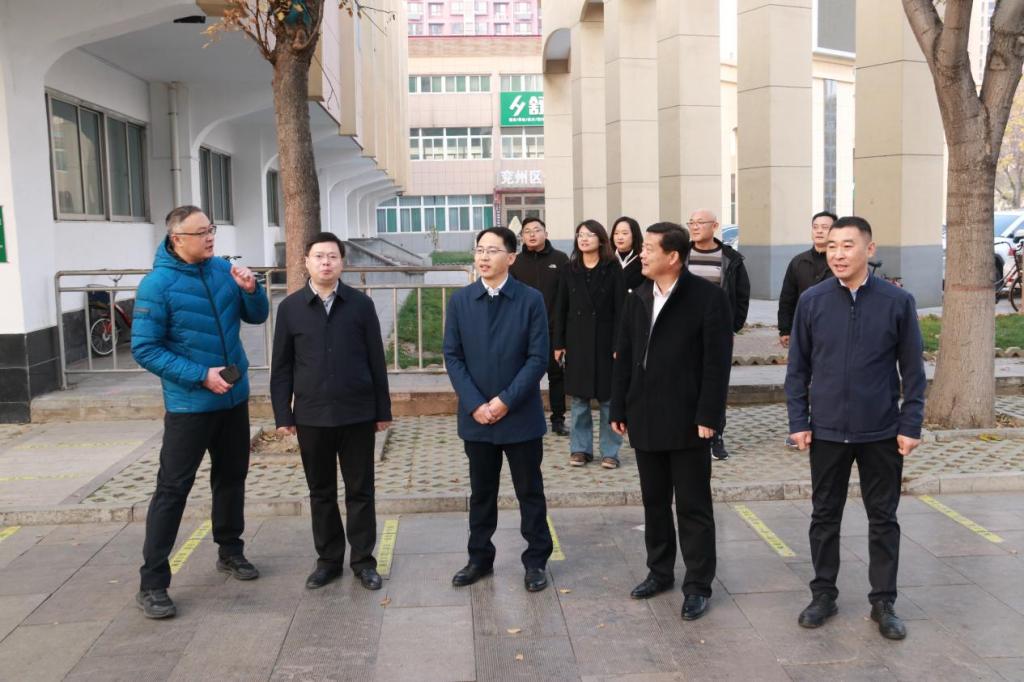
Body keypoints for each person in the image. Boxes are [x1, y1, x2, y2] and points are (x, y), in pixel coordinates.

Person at [785, 216, 925, 641]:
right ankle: (823, 595)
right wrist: (799, 420)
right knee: (824, 516)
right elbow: (798, 368)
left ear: (870, 249)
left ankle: (883, 602)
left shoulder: (897, 302)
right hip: (826, 430)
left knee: (883, 518)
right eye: (832, 246)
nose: (838, 254)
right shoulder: (812, 301)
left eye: (848, 245)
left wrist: (910, 423)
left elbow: (913, 370)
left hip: (881, 430)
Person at [131, 205, 269, 619]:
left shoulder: (222, 270)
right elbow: (145, 349)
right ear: (177, 240)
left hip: (233, 399)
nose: (210, 237)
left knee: (231, 478)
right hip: (190, 405)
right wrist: (199, 376)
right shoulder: (157, 285)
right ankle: (153, 583)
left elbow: (257, 316)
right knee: (173, 490)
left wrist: (252, 290)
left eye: (211, 229)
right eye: (201, 233)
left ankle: (230, 551)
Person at [611, 222, 732, 621]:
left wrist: (709, 415)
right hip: (645, 415)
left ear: (673, 256)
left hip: (688, 420)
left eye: (649, 248)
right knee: (655, 502)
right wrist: (618, 408)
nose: (642, 254)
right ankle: (659, 572)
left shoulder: (707, 298)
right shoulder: (638, 296)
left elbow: (717, 364)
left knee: (694, 506)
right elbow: (625, 356)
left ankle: (697, 585)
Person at [270, 232, 392, 592]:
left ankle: (363, 562)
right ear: (306, 262)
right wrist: (283, 415)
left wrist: (382, 410)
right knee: (320, 491)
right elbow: (282, 367)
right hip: (312, 415)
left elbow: (376, 360)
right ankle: (328, 561)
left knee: (360, 491)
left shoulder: (360, 305)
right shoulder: (290, 308)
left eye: (333, 257)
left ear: (342, 262)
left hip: (357, 413)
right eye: (319, 256)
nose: (326, 263)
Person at [443, 226, 554, 593]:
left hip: (520, 416)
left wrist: (505, 400)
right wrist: (475, 403)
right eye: (479, 250)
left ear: (511, 257)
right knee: (481, 493)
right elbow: (452, 356)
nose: (484, 257)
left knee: (529, 492)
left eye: (492, 250)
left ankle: (536, 560)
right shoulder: (461, 301)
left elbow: (537, 358)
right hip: (477, 418)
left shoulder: (530, 300)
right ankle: (479, 558)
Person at [553, 220, 625, 469]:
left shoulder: (613, 268)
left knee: (608, 399)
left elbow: (621, 310)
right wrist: (559, 342)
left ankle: (610, 451)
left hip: (606, 340)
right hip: (578, 340)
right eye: (580, 235)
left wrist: (619, 344)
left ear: (601, 240)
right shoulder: (569, 269)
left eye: (589, 235)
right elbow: (560, 307)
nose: (583, 239)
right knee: (579, 400)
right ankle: (580, 449)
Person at [686, 209, 749, 461]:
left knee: (715, 382)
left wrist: (731, 327)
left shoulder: (731, 259)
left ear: (715, 226)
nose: (694, 227)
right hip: (684, 331)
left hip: (716, 331)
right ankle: (688, 431)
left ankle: (715, 436)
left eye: (700, 222)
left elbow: (742, 295)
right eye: (691, 222)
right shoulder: (681, 254)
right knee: (686, 381)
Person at [509, 217, 570, 436]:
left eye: (536, 230)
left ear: (546, 233)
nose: (532, 234)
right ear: (522, 237)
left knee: (557, 376)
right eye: (527, 231)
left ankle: (558, 419)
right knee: (525, 377)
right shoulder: (515, 262)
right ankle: (526, 418)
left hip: (553, 329)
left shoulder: (560, 259)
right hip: (524, 331)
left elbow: (566, 296)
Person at [777, 211, 837, 349]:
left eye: (825, 227)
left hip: (834, 330)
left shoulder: (840, 262)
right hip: (803, 329)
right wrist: (785, 329)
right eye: (815, 227)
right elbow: (787, 298)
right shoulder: (798, 262)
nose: (819, 231)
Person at [611, 216, 646, 293]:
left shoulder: (643, 260)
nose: (620, 237)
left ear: (634, 235)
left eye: (625, 233)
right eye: (616, 233)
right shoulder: (607, 259)